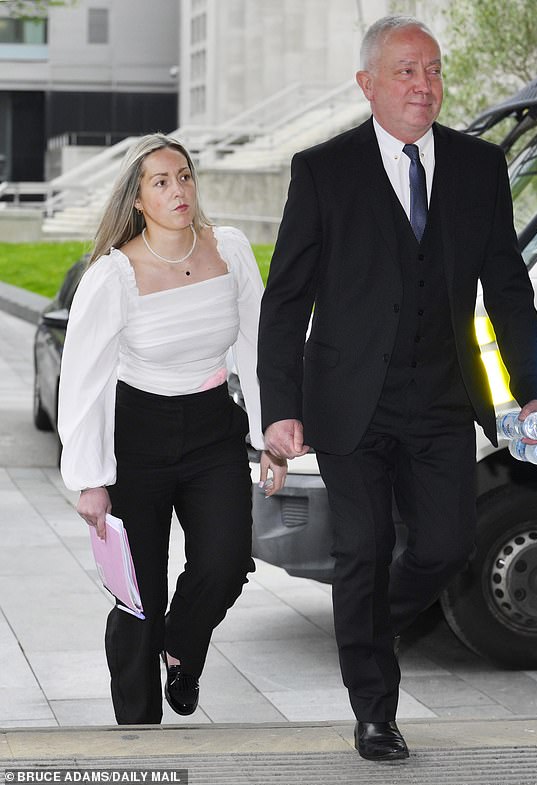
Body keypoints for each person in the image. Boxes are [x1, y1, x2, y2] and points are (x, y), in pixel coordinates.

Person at [257, 16, 537, 761]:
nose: (423, 85)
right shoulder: (323, 171)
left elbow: (510, 292)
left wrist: (533, 391)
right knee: (360, 547)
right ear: (368, 84)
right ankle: (374, 709)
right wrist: (280, 407)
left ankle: (363, 625)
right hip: (349, 402)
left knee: (447, 544)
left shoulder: (479, 167)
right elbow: (286, 298)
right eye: (405, 71)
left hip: (444, 398)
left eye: (432, 70)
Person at [58, 133, 286, 725]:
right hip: (139, 434)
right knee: (140, 592)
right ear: (138, 199)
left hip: (213, 428)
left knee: (228, 560)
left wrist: (267, 437)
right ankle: (139, 728)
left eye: (183, 176)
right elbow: (84, 378)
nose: (178, 190)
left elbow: (256, 345)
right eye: (161, 182)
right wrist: (88, 478)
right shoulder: (113, 275)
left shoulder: (229, 249)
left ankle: (182, 647)